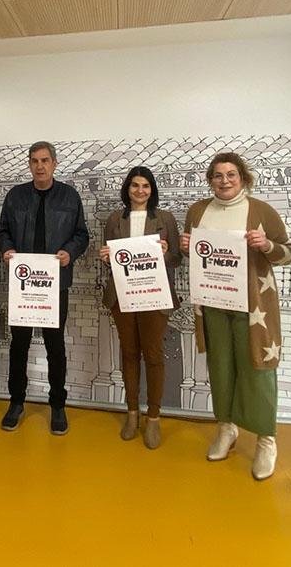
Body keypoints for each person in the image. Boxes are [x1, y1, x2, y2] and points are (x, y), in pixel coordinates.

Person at [181, 152, 291, 480]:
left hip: (253, 306)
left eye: (231, 174)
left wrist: (267, 246)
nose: (225, 180)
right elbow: (198, 254)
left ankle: (266, 439)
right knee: (221, 366)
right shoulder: (198, 211)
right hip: (213, 302)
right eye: (218, 175)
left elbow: (288, 253)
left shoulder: (261, 211)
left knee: (258, 368)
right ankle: (226, 428)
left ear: (243, 178)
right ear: (210, 180)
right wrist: (188, 246)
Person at [0, 141, 89, 435]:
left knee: (55, 345)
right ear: (29, 164)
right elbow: (3, 231)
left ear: (54, 163)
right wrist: (7, 248)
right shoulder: (15, 196)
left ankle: (58, 406)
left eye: (45, 160)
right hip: (23, 285)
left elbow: (81, 235)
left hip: (55, 284)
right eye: (35, 161)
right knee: (19, 345)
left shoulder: (69, 196)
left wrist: (69, 252)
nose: (40, 165)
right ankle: (16, 402)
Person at [99, 166, 181, 449]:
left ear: (152, 190)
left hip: (155, 295)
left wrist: (166, 251)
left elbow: (176, 259)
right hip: (122, 296)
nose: (140, 191)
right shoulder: (113, 219)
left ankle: (154, 417)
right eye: (135, 185)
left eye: (145, 186)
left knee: (154, 353)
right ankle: (132, 413)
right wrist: (106, 257)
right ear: (128, 189)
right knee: (129, 353)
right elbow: (108, 255)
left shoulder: (165, 218)